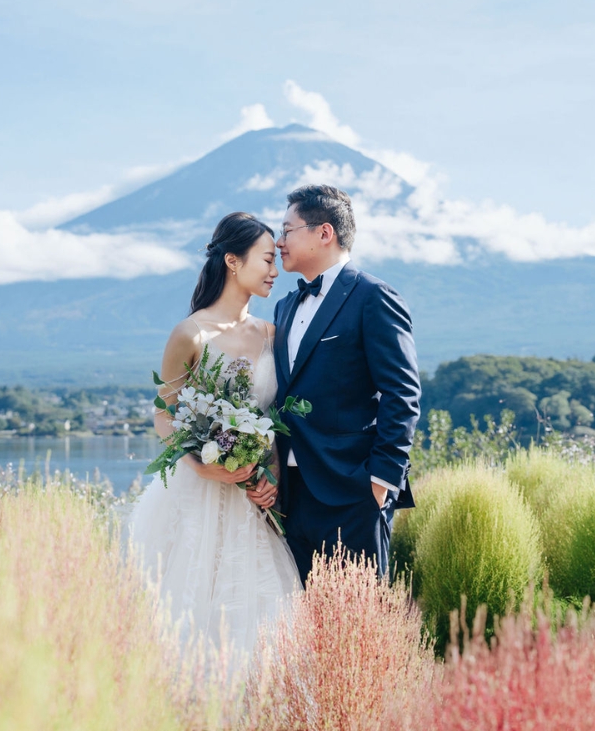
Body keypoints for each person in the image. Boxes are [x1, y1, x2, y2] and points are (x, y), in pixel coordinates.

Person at [128, 212, 300, 655]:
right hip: (197, 496)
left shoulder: (272, 335)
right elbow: (164, 413)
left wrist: (271, 475)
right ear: (232, 261)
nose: (274, 271)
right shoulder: (190, 334)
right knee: (186, 607)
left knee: (259, 615)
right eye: (266, 260)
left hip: (252, 500)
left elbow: (278, 418)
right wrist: (198, 465)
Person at [273, 184, 420, 584]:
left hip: (352, 493)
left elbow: (402, 393)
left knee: (357, 627)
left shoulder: (373, 297)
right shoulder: (284, 306)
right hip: (291, 496)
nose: (278, 241)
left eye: (287, 230)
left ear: (324, 233)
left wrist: (380, 482)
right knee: (300, 625)